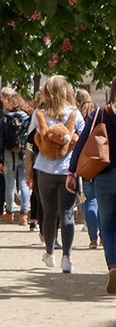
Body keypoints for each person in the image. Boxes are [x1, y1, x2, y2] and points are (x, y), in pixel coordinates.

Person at [25, 74, 85, 273]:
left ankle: (50, 252)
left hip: (45, 170)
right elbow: (83, 140)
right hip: (68, 170)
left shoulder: (39, 113)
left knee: (49, 214)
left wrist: (28, 171)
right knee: (67, 213)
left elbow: (31, 141)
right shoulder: (74, 113)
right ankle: (67, 258)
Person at [68, 82, 116, 294]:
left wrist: (72, 172)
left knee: (107, 226)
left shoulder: (100, 114)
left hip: (104, 176)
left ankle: (113, 265)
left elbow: (81, 144)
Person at [0, 87, 32, 224]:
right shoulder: (27, 118)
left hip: (8, 154)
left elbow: (0, 140)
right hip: (24, 153)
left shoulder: (6, 119)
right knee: (24, 183)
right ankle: (24, 214)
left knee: (9, 184)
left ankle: (10, 213)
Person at [74, 89, 101, 250]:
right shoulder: (100, 112)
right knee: (103, 203)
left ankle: (93, 238)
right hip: (102, 162)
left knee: (87, 200)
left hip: (84, 163)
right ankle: (105, 236)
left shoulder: (79, 116)